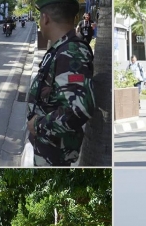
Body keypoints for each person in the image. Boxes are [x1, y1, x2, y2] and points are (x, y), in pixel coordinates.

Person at [27, 0, 95, 166]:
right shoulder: (60, 49)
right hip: (48, 148)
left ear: (45, 18)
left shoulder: (71, 52)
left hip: (56, 154)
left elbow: (78, 108)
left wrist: (38, 124)